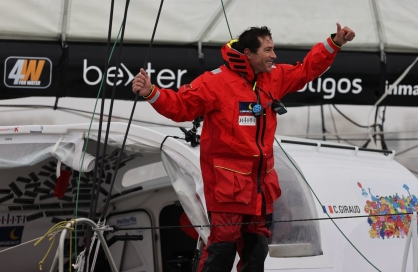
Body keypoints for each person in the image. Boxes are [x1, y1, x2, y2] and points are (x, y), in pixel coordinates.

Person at [132, 23, 355, 272]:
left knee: (256, 255)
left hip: (260, 191)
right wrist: (151, 92)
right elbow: (180, 106)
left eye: (274, 49)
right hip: (228, 190)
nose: (274, 56)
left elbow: (306, 70)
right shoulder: (215, 82)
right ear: (248, 53)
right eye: (268, 50)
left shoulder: (274, 78)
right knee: (220, 253)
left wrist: (334, 43)